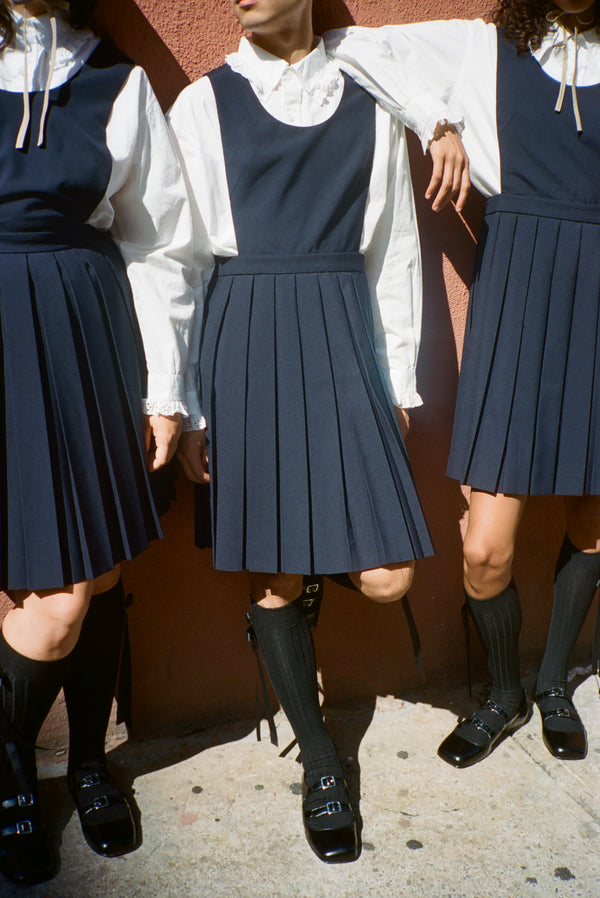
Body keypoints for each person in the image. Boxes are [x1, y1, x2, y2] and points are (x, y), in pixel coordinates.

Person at [170, 0, 469, 863]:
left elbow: (394, 251)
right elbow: (179, 262)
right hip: (246, 337)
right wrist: (188, 403)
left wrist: (398, 378)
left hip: (341, 334)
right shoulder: (203, 104)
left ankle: (294, 589)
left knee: (386, 576)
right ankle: (324, 763)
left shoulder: (369, 99)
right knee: (273, 577)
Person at [327, 0, 600, 767]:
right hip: (516, 298)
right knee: (484, 549)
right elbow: (348, 44)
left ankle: (551, 684)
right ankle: (503, 691)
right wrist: (436, 122)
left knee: (595, 516)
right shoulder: (481, 48)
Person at [0, 0, 199, 884]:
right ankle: (9, 768)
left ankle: (87, 761)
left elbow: (160, 246)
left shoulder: (118, 82)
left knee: (103, 571)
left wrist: (168, 390)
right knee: (56, 597)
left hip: (86, 334)